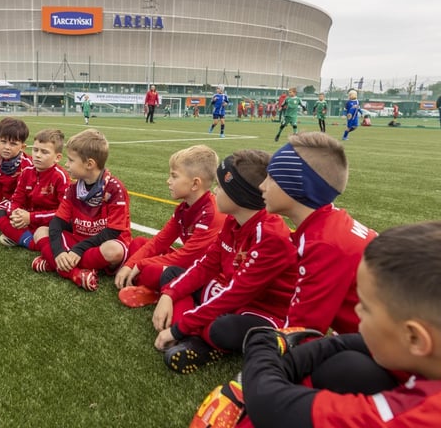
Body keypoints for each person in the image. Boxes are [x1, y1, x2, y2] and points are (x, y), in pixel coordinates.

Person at [202, 220, 441, 428]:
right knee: (348, 366)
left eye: (367, 307)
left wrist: (261, 346)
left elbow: (272, 406)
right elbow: (349, 343)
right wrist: (287, 356)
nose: (357, 310)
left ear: (415, 337)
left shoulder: (431, 415)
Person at [206, 131, 377, 353]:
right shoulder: (327, 227)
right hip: (384, 343)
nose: (262, 186)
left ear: (295, 185)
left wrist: (247, 384)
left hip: (397, 357)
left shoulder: (324, 244)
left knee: (334, 367)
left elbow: (301, 334)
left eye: (272, 177)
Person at [154, 150, 298, 374]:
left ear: (238, 196)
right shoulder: (232, 221)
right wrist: (168, 294)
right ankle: (195, 333)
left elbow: (237, 293)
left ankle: (199, 338)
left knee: (223, 329)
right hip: (230, 294)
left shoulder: (270, 236)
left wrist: (178, 329)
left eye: (220, 187)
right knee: (172, 275)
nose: (214, 191)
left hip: (262, 312)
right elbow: (206, 265)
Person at [114, 145, 226, 307]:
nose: (168, 181)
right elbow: (160, 241)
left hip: (205, 274)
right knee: (138, 243)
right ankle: (154, 289)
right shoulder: (184, 207)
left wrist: (140, 264)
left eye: (174, 176)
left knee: (149, 270)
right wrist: (130, 264)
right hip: (188, 263)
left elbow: (188, 257)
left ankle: (160, 291)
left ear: (195, 184)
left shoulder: (211, 213)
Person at [31, 129, 131, 291]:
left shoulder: (114, 189)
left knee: (114, 251)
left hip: (102, 243)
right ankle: (74, 272)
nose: (66, 164)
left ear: (89, 164)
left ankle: (53, 263)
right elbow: (57, 222)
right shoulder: (73, 189)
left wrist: (78, 249)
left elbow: (113, 231)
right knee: (41, 231)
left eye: (71, 160)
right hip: (80, 238)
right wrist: (58, 253)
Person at [0, 129, 69, 250]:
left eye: (44, 152)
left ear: (57, 157)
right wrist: (14, 213)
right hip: (27, 216)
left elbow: (63, 213)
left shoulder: (60, 177)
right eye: (35, 150)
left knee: (47, 229)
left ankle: (30, 242)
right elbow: (16, 199)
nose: (38, 155)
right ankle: (26, 237)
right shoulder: (27, 172)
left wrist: (31, 217)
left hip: (47, 222)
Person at [0, 117, 32, 229]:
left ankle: (23, 234)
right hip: (9, 202)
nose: (6, 147)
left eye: (13, 144)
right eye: (3, 141)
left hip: (26, 202)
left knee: (19, 218)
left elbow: (30, 193)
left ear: (23, 147)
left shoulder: (28, 165)